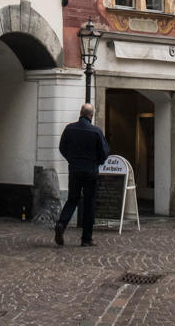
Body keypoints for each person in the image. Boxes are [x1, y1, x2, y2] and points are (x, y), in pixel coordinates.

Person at [54, 103, 110, 247]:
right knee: (89, 203)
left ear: (80, 113)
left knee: (72, 199)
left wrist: (72, 160)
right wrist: (97, 162)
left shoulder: (69, 128)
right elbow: (104, 153)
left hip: (75, 170)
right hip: (90, 171)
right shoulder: (96, 131)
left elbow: (62, 147)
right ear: (91, 115)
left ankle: (62, 223)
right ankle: (86, 238)